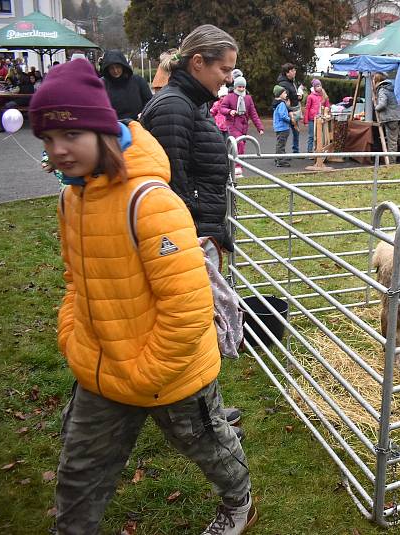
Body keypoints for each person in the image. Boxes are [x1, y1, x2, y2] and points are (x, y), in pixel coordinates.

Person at [29, 58, 255, 535]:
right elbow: (75, 280)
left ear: (101, 130)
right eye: (48, 140)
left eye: (69, 135)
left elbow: (188, 306)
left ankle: (239, 502)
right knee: (79, 471)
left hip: (169, 371)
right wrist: (73, 337)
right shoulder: (72, 199)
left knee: (209, 447)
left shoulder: (149, 202)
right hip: (100, 366)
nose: (58, 151)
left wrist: (145, 370)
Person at [139, 24, 246, 435]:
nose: (228, 77)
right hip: (182, 239)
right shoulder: (173, 108)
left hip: (195, 232)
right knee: (190, 331)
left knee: (201, 326)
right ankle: (201, 421)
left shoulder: (190, 102)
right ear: (197, 62)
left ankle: (207, 411)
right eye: (224, 68)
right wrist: (191, 235)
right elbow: (170, 184)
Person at [219, 76, 264, 176]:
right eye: (239, 87)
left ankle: (234, 164)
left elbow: (253, 113)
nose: (241, 89)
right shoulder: (229, 97)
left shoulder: (248, 98)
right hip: (233, 124)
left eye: (243, 87)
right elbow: (222, 108)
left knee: (240, 145)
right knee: (239, 143)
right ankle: (238, 166)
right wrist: (230, 111)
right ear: (235, 87)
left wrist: (259, 127)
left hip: (244, 125)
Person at [100, 50, 153, 120]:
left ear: (123, 66)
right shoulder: (102, 84)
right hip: (113, 125)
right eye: (111, 68)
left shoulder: (138, 81)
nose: (115, 71)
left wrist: (143, 114)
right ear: (107, 69)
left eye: (117, 67)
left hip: (138, 123)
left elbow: (149, 101)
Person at [373, 72, 400, 161]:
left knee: (392, 141)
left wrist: (376, 107)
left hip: (390, 118)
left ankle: (392, 161)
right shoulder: (393, 88)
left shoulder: (382, 90)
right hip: (398, 117)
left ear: (376, 80)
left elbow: (383, 104)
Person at [276, 63, 301, 153]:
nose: (295, 72)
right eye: (292, 70)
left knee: (296, 132)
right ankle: (281, 154)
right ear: (287, 73)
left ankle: (295, 151)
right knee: (284, 133)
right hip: (288, 111)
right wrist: (290, 112)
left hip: (293, 109)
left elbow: (292, 95)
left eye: (295, 70)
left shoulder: (292, 82)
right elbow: (284, 98)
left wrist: (298, 97)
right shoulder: (284, 84)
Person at [304, 79, 330, 153]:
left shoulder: (324, 95)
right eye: (317, 86)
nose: (319, 87)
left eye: (320, 85)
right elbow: (307, 108)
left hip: (321, 118)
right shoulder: (310, 96)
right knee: (311, 136)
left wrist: (327, 111)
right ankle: (309, 152)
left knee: (320, 136)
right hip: (312, 119)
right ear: (314, 87)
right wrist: (305, 120)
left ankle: (318, 151)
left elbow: (327, 105)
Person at [272, 85, 294, 167]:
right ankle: (280, 161)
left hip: (278, 127)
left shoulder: (276, 103)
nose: (286, 94)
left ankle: (279, 157)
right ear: (280, 94)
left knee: (280, 143)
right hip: (283, 127)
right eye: (284, 93)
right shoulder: (281, 104)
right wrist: (290, 120)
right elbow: (283, 115)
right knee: (281, 144)